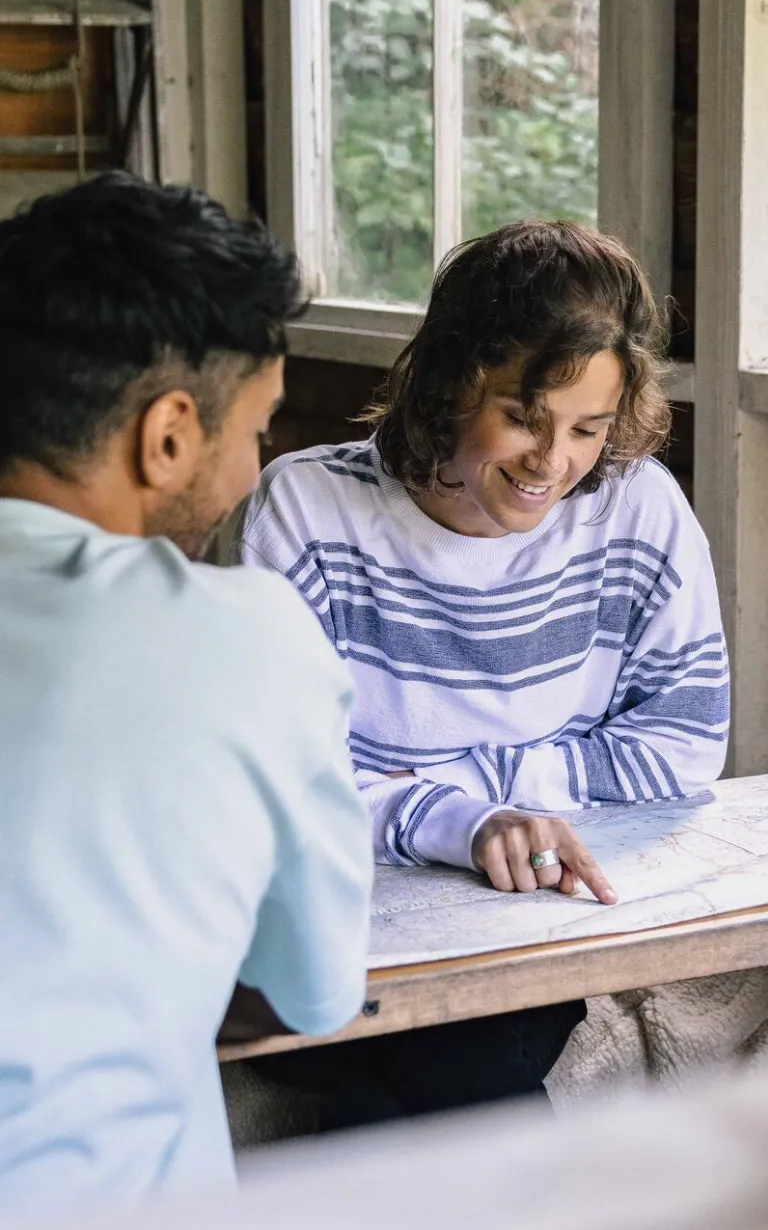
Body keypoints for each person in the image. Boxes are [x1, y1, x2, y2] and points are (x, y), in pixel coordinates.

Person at [232, 220, 730, 1125]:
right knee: (455, 1060)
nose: (555, 462)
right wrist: (462, 821)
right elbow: (281, 785)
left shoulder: (638, 507)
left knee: (462, 1052)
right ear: (451, 382)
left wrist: (486, 807)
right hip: (343, 909)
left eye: (589, 427)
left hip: (529, 912)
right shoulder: (305, 511)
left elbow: (685, 742)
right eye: (522, 418)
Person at [0, 173, 373, 1218]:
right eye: (256, 428)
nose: (255, 470)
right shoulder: (247, 636)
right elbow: (315, 983)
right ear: (168, 434)